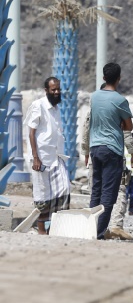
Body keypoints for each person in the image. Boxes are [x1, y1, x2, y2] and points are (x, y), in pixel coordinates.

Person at [82, 83, 133, 241]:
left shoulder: (94, 103)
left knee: (96, 192)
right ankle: (100, 232)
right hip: (112, 151)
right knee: (111, 194)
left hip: (95, 150)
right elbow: (127, 131)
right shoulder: (117, 103)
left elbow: (86, 129)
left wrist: (85, 151)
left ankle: (92, 229)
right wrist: (132, 152)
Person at [24, 77, 71, 235]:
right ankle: (41, 230)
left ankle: (54, 228)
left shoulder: (56, 108)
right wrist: (35, 157)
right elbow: (31, 132)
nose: (57, 92)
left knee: (64, 190)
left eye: (58, 89)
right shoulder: (38, 106)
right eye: (53, 90)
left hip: (56, 156)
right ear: (46, 90)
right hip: (41, 157)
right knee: (42, 194)